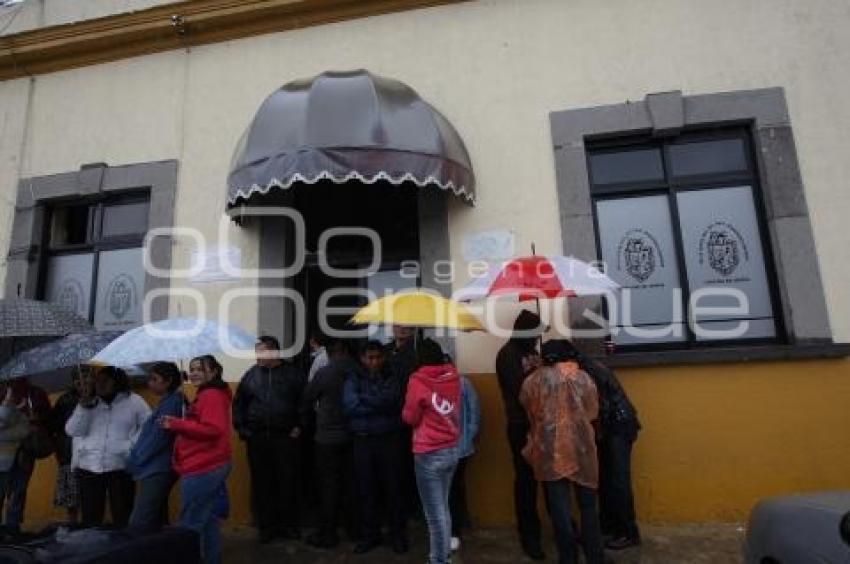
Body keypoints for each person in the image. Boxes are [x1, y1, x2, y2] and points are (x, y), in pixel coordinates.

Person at [520, 339, 604, 564]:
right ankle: (595, 556)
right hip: (582, 448)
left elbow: (530, 411)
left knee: (560, 511)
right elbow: (592, 411)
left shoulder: (532, 381)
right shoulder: (583, 378)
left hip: (549, 451)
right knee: (588, 507)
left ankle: (568, 558)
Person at [561, 340, 641, 550]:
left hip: (618, 427)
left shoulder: (585, 372)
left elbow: (599, 407)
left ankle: (627, 532)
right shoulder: (585, 366)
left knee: (617, 481)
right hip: (613, 427)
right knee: (606, 480)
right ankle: (608, 529)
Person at [232, 336, 305, 543]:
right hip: (258, 439)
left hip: (285, 438)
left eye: (261, 351)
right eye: (256, 352)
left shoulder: (293, 375)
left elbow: (305, 402)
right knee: (263, 484)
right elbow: (239, 405)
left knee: (288, 482)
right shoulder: (251, 376)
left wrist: (299, 426)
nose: (257, 356)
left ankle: (289, 526)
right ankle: (267, 527)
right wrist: (243, 430)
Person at [161, 355, 232, 564]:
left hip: (204, 466)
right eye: (191, 369)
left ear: (214, 372)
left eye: (199, 369)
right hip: (207, 463)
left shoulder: (211, 395)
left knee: (190, 524)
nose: (193, 373)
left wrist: (177, 425)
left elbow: (213, 429)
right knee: (207, 520)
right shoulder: (207, 393)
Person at [342, 340, 408, 555]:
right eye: (369, 358)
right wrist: (377, 403)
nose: (374, 361)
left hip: (389, 439)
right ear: (362, 359)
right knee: (366, 490)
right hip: (363, 440)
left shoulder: (392, 376)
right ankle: (369, 536)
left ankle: (397, 535)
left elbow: (391, 400)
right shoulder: (352, 378)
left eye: (378, 357)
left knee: (393, 489)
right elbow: (350, 406)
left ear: (384, 357)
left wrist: (365, 399)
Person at [65, 367, 150, 527]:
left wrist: (131, 446)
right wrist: (83, 407)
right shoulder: (90, 401)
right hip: (88, 466)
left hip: (120, 466)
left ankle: (124, 547)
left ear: (117, 381)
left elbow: (148, 426)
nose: (99, 384)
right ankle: (92, 547)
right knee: (91, 516)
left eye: (105, 381)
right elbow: (72, 430)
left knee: (123, 513)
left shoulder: (134, 401)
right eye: (97, 381)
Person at [402, 338, 461, 564]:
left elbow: (410, 417)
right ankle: (443, 552)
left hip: (429, 454)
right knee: (443, 507)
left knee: (434, 515)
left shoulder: (418, 381)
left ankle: (438, 560)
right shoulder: (454, 377)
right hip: (452, 449)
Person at [495, 310, 545, 560]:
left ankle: (561, 526)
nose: (537, 339)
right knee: (526, 482)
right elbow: (521, 391)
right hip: (520, 426)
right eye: (535, 334)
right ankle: (529, 535)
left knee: (548, 475)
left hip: (542, 424)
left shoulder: (533, 353)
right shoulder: (507, 355)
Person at [300, 338, 357, 549]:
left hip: (327, 439)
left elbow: (307, 397)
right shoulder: (357, 370)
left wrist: (306, 422)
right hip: (353, 437)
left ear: (331, 353)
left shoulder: (325, 373)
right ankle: (354, 530)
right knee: (352, 485)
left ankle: (329, 534)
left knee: (328, 486)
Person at [127, 362, 185, 527]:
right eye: (149, 379)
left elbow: (159, 438)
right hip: (155, 465)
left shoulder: (173, 403)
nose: (149, 383)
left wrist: (137, 458)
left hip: (158, 467)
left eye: (154, 379)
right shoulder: (167, 401)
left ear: (168, 381)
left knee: (140, 520)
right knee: (156, 516)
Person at [2, 377, 50, 534]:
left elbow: (48, 418)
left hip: (26, 450)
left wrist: (37, 420)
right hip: (5, 450)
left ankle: (12, 527)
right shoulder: (4, 392)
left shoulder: (36, 393)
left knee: (19, 490)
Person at [386, 326, 419, 522]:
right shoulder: (385, 351)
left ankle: (411, 506)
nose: (401, 329)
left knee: (410, 464)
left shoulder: (416, 353)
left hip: (411, 414)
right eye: (397, 325)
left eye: (406, 326)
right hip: (390, 414)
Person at [449, 373, 481, 552]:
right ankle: (455, 528)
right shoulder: (463, 383)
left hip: (451, 447)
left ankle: (453, 529)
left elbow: (474, 413)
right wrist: (467, 439)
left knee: (450, 489)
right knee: (454, 488)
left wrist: (467, 439)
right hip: (459, 447)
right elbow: (474, 414)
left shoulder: (462, 383)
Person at [48, 368, 85, 524]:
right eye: (77, 379)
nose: (80, 382)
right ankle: (73, 523)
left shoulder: (98, 398)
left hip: (90, 453)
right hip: (68, 452)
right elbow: (54, 425)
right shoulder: (65, 399)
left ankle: (89, 523)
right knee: (71, 495)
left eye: (84, 378)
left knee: (89, 492)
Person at [0, 386, 32, 538]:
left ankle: (12, 530)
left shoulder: (25, 396)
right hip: (2, 461)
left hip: (20, 458)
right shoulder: (8, 403)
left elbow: (24, 430)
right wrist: (7, 405)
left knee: (17, 495)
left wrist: (14, 411)